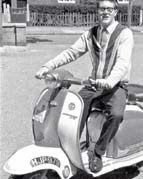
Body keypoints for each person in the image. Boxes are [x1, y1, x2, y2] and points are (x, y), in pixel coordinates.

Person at [36, 0, 134, 173]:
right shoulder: (91, 34)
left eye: (109, 9)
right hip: (93, 85)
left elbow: (122, 63)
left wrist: (110, 81)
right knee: (72, 110)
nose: (105, 12)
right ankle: (69, 148)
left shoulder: (124, 34)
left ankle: (97, 152)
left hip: (115, 86)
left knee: (116, 115)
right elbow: (71, 52)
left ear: (116, 12)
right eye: (102, 8)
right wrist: (47, 66)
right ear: (97, 11)